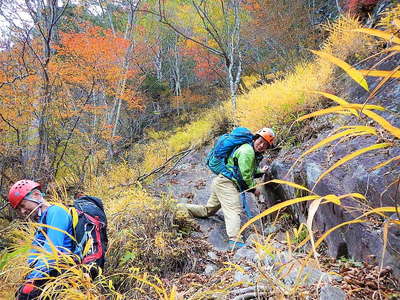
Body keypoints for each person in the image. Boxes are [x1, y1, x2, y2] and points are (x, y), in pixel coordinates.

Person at [182, 128, 275, 248]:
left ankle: (181, 208)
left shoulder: (249, 150)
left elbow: (246, 169)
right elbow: (244, 175)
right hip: (227, 183)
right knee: (234, 210)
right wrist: (254, 189)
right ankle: (235, 240)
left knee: (208, 210)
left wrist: (260, 171)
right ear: (255, 138)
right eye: (260, 141)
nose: (262, 145)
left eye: (265, 145)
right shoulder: (247, 151)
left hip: (222, 181)